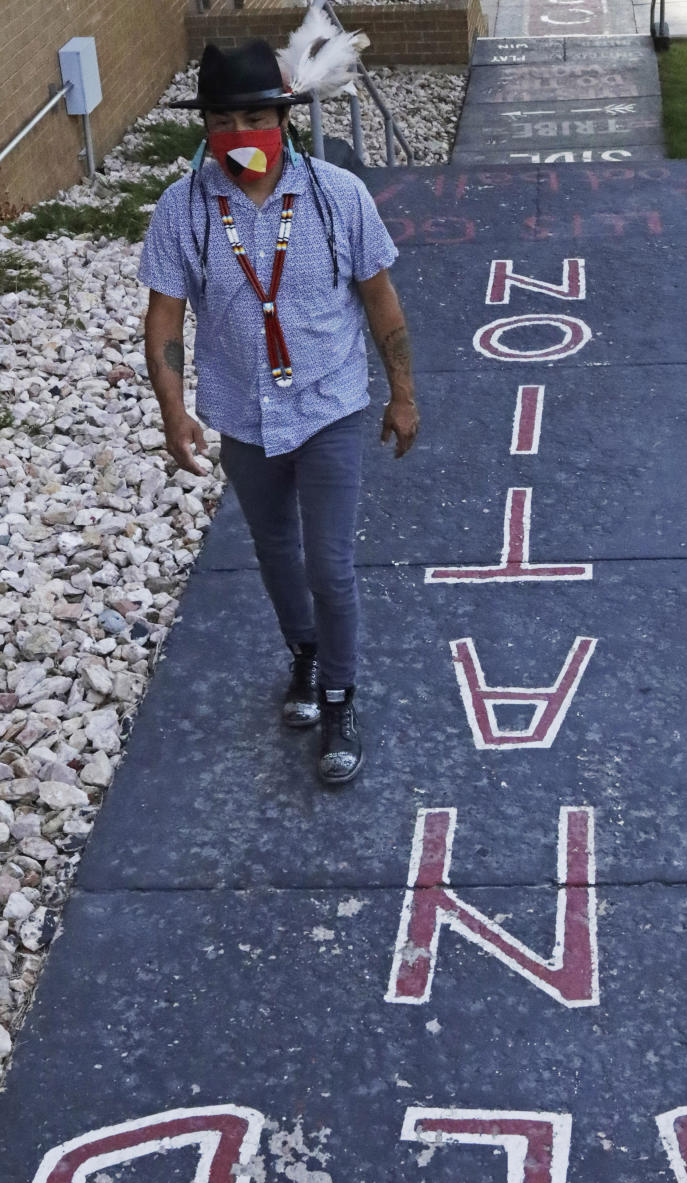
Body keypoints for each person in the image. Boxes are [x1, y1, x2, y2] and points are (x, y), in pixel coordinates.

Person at [138, 39, 418, 785]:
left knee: (330, 565)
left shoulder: (337, 195)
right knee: (275, 554)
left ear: (285, 118)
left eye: (255, 116)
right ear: (204, 125)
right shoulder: (183, 210)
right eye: (223, 120)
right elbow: (164, 318)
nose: (239, 135)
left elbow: (380, 298)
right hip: (244, 413)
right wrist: (173, 411)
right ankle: (304, 655)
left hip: (329, 407)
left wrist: (403, 393)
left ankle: (339, 696)